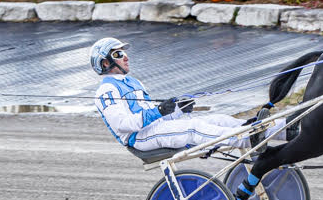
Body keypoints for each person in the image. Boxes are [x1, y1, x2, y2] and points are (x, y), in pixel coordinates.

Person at [90, 36, 289, 153]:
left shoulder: (133, 82)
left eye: (124, 52)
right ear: (105, 63)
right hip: (140, 139)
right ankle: (247, 139)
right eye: (118, 54)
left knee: (218, 119)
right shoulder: (106, 90)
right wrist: (158, 111)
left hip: (155, 129)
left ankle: (286, 129)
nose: (125, 57)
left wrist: (177, 109)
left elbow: (155, 115)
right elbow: (123, 125)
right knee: (194, 127)